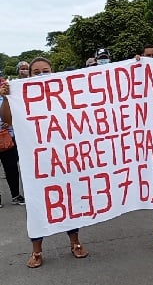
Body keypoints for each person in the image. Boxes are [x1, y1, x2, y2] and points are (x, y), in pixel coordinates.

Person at [0, 57, 88, 268]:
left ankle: (75, 242)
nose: (41, 74)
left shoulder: (64, 95)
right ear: (28, 76)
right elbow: (8, 119)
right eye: (36, 71)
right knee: (37, 204)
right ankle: (37, 250)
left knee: (67, 199)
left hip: (62, 159)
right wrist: (7, 98)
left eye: (45, 70)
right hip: (36, 163)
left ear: (53, 72)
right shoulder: (19, 97)